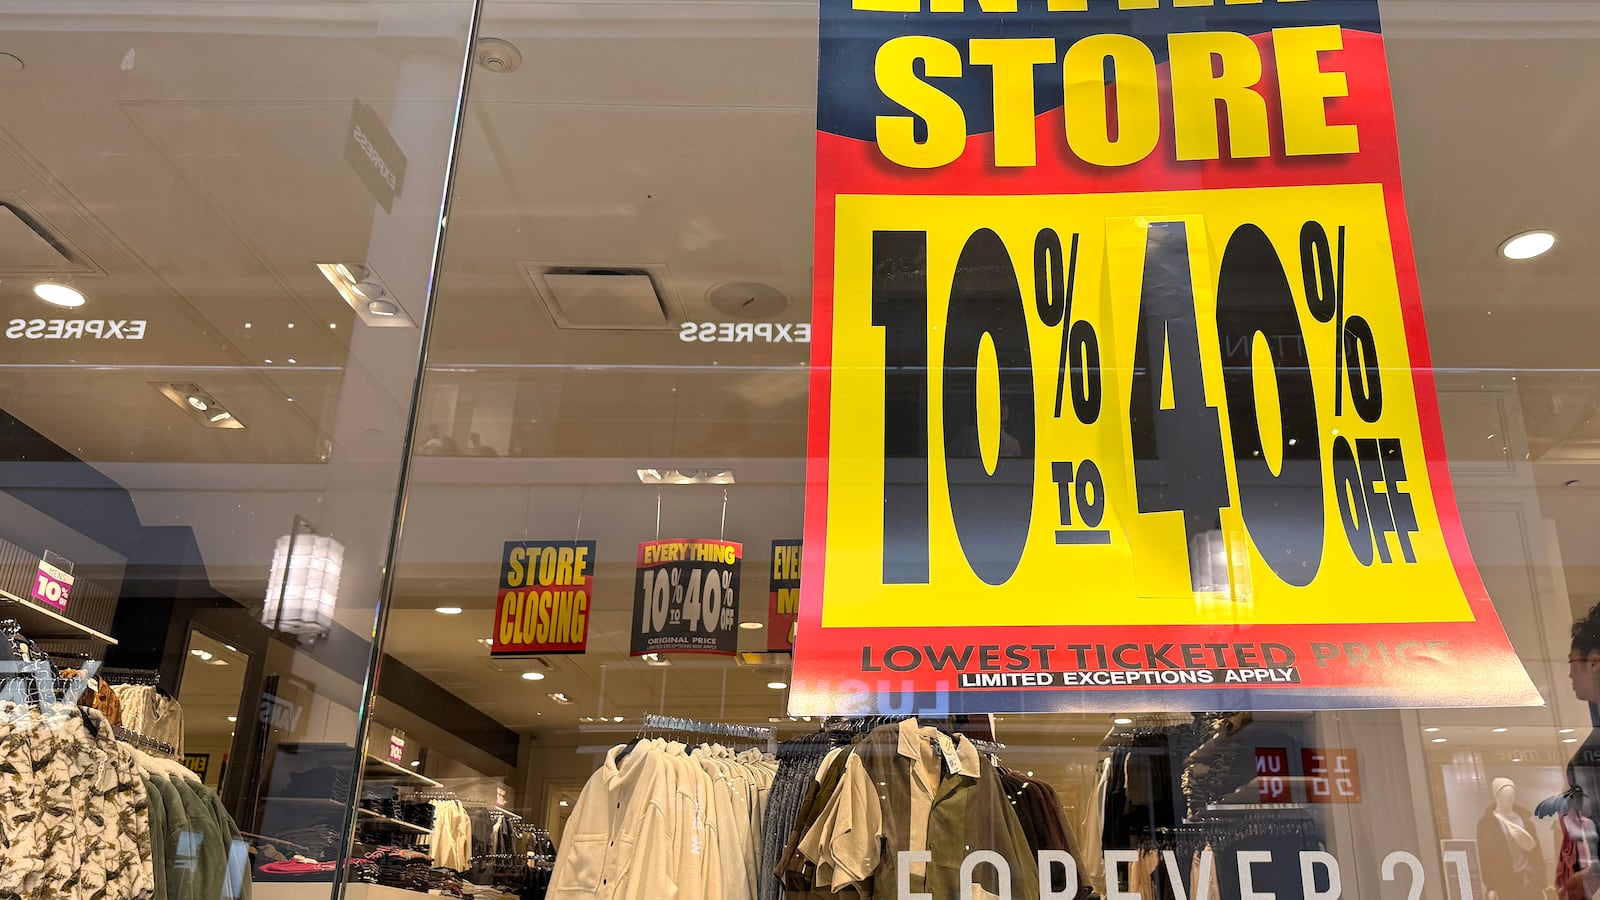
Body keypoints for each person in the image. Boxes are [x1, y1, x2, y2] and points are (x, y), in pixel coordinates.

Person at [1557, 602, 1600, 900]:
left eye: (1572, 663)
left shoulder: (1587, 760)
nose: (1570, 675)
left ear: (1594, 662)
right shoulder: (1587, 756)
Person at [1479, 777, 1545, 900]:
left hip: (1529, 879)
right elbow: (1485, 857)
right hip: (1504, 882)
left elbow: (1537, 853)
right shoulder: (1487, 824)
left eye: (1511, 795)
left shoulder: (1526, 821)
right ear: (1496, 795)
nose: (1508, 798)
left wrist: (1542, 883)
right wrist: (1490, 887)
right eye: (1504, 795)